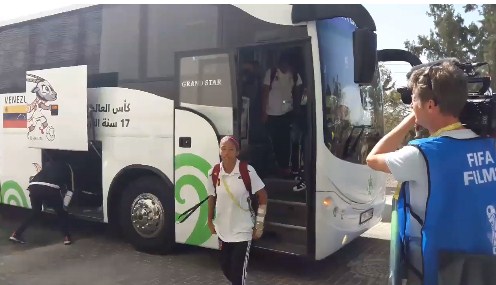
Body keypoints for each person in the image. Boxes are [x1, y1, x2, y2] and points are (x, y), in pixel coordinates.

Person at [366, 60, 496, 285]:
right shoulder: (489, 146)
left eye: (414, 100)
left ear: (431, 105)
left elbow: (373, 158)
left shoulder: (420, 154)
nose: (411, 106)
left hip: (437, 268)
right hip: (483, 265)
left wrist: (409, 121)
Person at [207, 136, 268, 285]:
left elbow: (263, 197)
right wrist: (210, 221)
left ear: (237, 152)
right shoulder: (214, 172)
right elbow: (211, 197)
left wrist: (259, 225)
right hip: (223, 229)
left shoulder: (246, 170)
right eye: (223, 149)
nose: (226, 153)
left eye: (231, 150)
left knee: (237, 275)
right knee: (225, 267)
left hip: (242, 230)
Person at [9, 151, 73, 245]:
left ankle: (16, 234)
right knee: (61, 213)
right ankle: (66, 237)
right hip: (50, 188)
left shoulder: (47, 165)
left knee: (35, 212)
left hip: (33, 186)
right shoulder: (67, 167)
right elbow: (70, 190)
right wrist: (65, 205)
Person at [262, 52, 303, 178]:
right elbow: (264, 93)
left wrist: (297, 109)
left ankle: (285, 167)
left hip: (287, 113)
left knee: (286, 141)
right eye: (283, 64)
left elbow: (298, 91)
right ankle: (277, 167)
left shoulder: (295, 75)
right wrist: (263, 112)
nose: (286, 67)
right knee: (274, 141)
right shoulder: (272, 72)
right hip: (272, 114)